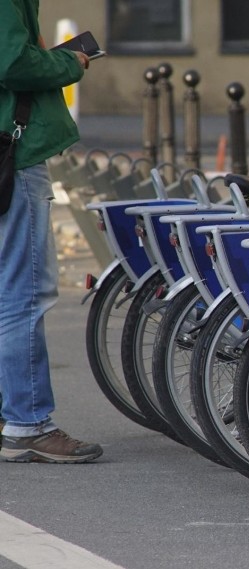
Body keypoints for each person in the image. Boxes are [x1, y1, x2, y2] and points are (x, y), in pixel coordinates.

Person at [0, 0, 103, 463]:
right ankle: (29, 423)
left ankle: (10, 415)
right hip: (13, 153)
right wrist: (68, 61)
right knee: (24, 291)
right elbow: (14, 61)